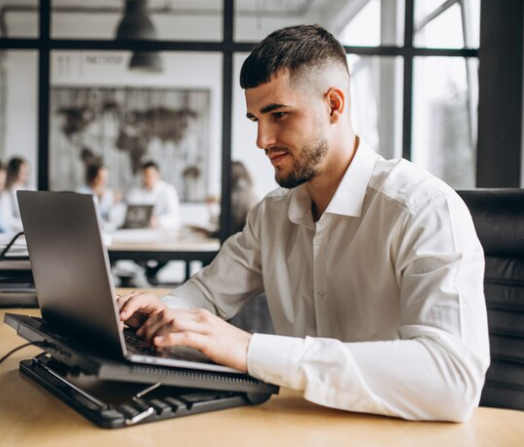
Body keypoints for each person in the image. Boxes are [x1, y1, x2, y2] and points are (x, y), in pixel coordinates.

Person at [117, 25, 489, 422]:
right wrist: (158, 313)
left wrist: (250, 351)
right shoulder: (272, 214)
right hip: (297, 425)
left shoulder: (423, 209)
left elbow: (454, 379)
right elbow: (206, 293)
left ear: (333, 105)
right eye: (255, 118)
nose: (262, 139)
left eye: (278, 115)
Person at [126, 160, 180, 229]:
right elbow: (130, 217)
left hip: (163, 231)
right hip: (140, 231)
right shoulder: (135, 192)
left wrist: (158, 221)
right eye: (145, 175)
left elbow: (175, 218)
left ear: (158, 175)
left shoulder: (168, 190)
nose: (148, 178)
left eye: (151, 175)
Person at [0, 156, 31, 232]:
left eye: (2, 184)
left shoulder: (29, 188)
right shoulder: (7, 193)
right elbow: (7, 221)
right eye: (23, 173)